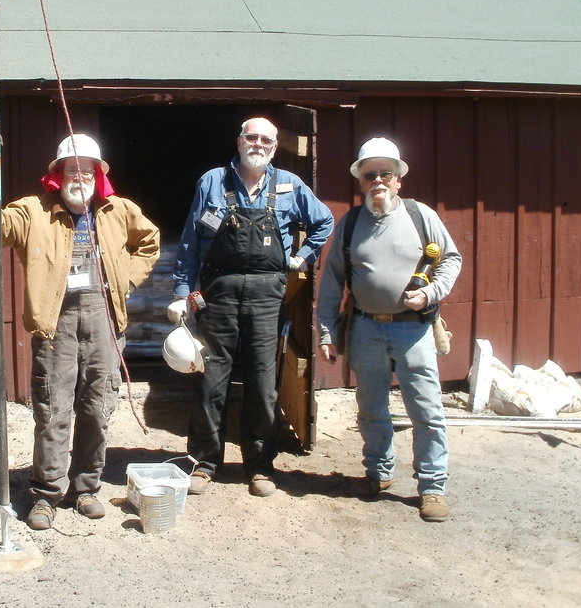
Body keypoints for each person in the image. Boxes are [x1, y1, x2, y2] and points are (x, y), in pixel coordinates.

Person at [0, 133, 160, 530]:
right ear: (58, 173)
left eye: (88, 169)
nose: (80, 175)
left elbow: (150, 242)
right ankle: (46, 493)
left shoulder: (119, 211)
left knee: (97, 410)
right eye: (72, 168)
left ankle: (86, 487)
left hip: (104, 322)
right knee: (52, 412)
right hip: (56, 326)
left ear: (98, 174)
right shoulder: (33, 211)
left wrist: (127, 283)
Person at [169, 117, 334, 497]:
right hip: (219, 292)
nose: (257, 143)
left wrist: (303, 257)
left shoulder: (291, 186)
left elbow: (324, 221)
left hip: (267, 294)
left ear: (274, 147)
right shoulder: (212, 181)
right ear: (239, 140)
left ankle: (259, 465)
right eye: (251, 136)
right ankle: (204, 462)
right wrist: (181, 291)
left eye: (265, 139)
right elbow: (192, 240)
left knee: (262, 382)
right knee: (212, 378)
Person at [316, 136, 462, 522]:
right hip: (365, 329)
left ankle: (432, 487)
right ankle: (377, 475)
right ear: (361, 182)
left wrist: (429, 293)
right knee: (370, 409)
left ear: (399, 179)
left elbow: (450, 260)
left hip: (414, 330)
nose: (378, 180)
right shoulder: (349, 225)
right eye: (370, 175)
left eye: (386, 173)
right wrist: (328, 332)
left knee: (427, 410)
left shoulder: (421, 216)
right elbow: (332, 283)